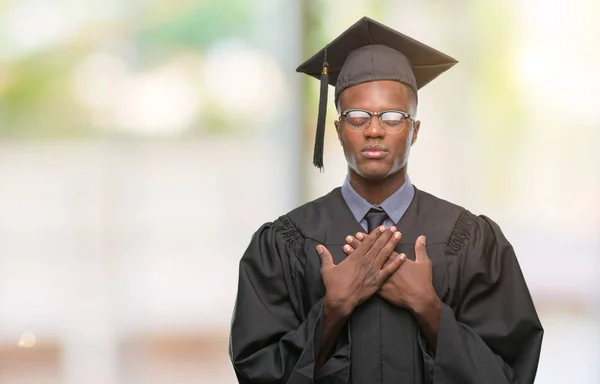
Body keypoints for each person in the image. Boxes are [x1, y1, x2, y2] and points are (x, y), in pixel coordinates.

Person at [229, 16, 543, 384]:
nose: (374, 129)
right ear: (338, 130)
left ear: (414, 131)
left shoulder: (470, 240)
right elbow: (257, 373)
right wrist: (333, 310)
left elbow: (510, 373)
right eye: (357, 117)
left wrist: (428, 308)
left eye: (393, 117)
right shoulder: (286, 242)